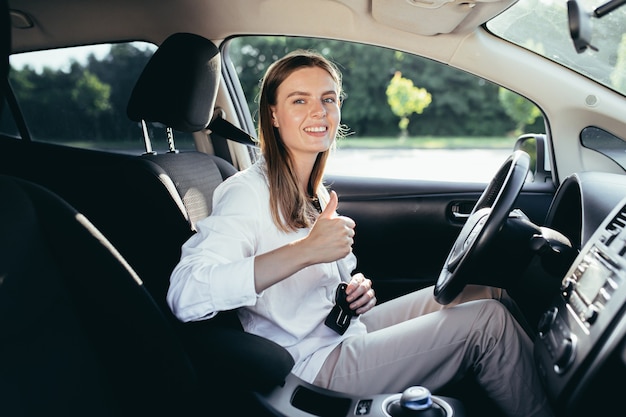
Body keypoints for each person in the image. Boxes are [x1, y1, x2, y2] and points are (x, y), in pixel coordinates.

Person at [167, 49, 553, 417]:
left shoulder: (313, 190)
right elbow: (186, 294)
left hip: (345, 331)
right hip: (308, 363)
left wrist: (355, 290)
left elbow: (324, 279)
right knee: (488, 323)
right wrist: (304, 250)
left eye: (329, 99)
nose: (319, 111)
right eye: (299, 100)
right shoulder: (246, 192)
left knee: (486, 291)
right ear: (273, 114)